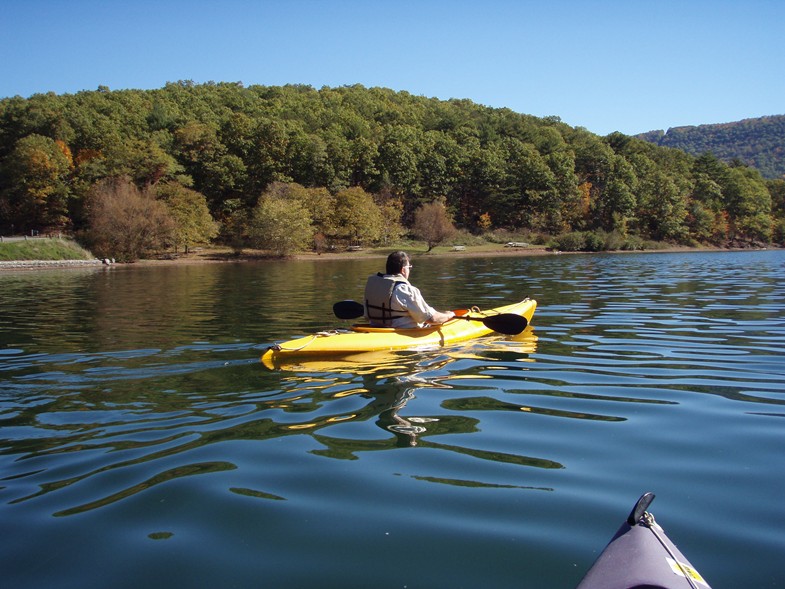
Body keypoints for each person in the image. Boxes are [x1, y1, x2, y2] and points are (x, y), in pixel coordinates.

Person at [364, 251, 455, 328]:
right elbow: (432, 319)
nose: (409, 270)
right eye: (409, 268)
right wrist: (449, 315)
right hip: (401, 333)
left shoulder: (376, 284)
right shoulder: (404, 289)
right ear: (403, 270)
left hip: (376, 329)